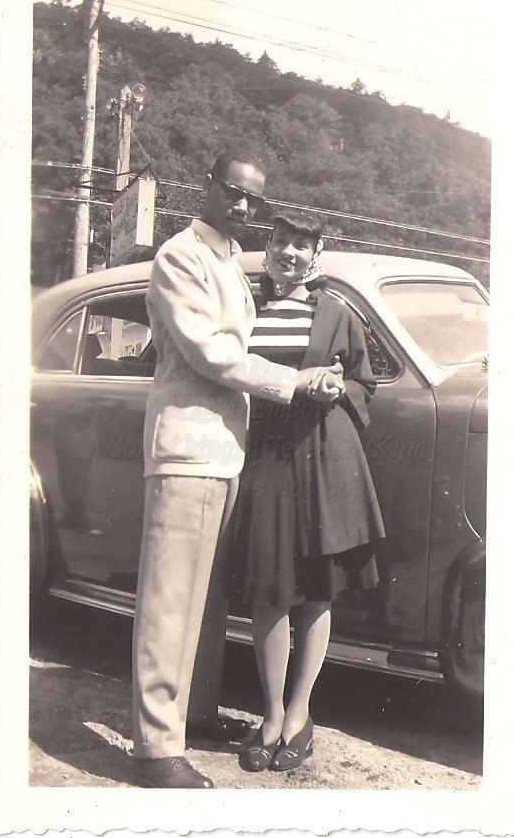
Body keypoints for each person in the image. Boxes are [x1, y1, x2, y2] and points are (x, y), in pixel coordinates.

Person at [132, 154, 344, 789]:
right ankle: (154, 747)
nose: (244, 208)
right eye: (234, 194)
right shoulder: (180, 256)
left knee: (207, 600)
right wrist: (294, 380)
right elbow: (209, 351)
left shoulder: (227, 260)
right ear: (207, 188)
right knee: (171, 602)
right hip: (189, 447)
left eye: (254, 200)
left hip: (228, 452)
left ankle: (189, 716)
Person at [229, 211, 385, 773]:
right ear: (266, 248)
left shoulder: (338, 313)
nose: (289, 253)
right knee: (270, 590)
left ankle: (299, 714)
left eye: (300, 245)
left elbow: (365, 382)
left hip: (323, 453)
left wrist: (338, 384)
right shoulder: (244, 307)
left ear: (315, 255)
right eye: (280, 241)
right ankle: (269, 714)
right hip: (265, 457)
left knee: (316, 588)